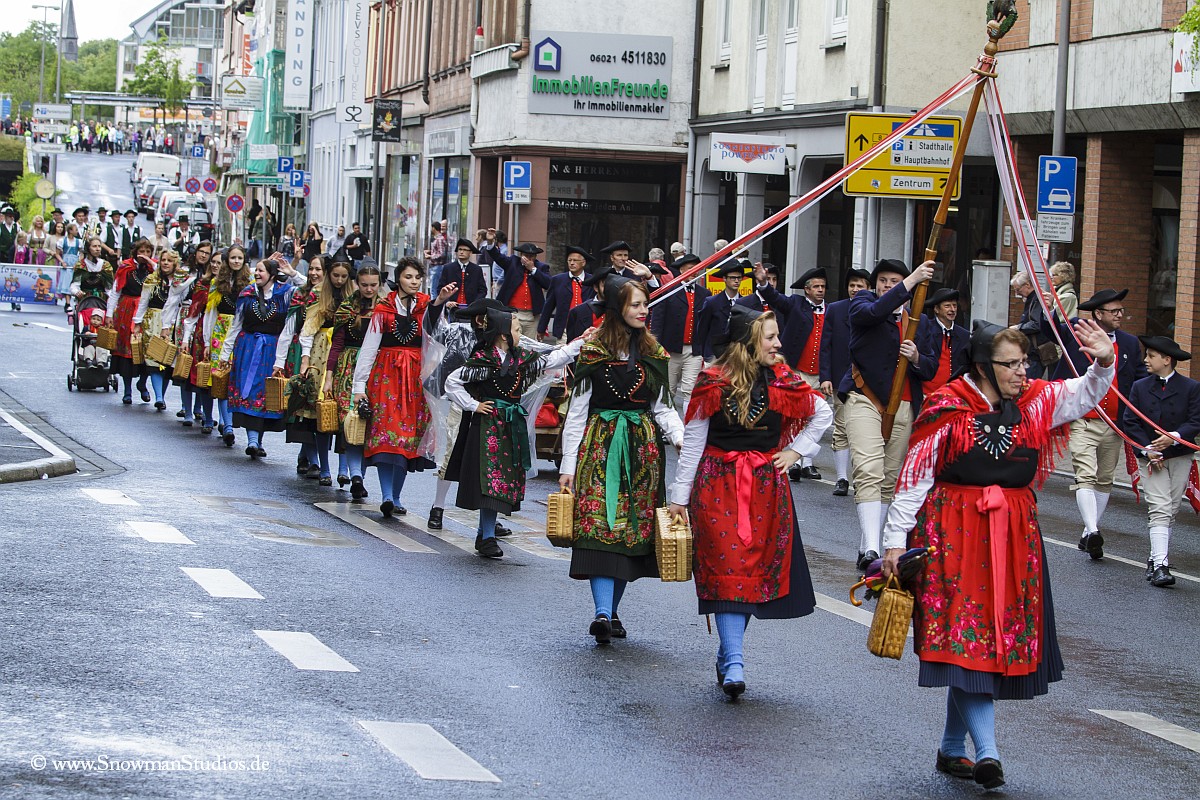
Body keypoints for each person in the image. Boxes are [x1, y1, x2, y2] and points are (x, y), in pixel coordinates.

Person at [880, 319, 1116, 791]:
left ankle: (952, 748)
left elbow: (1084, 394)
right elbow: (914, 478)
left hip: (1013, 535)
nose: (1021, 371)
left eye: (1024, 362)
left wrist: (1104, 361)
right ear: (984, 366)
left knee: (978, 646)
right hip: (953, 534)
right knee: (965, 644)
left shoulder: (1034, 402)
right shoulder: (947, 407)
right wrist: (894, 541)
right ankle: (987, 753)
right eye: (1010, 364)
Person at [668, 306, 831, 698]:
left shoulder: (785, 381)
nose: (778, 344)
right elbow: (692, 443)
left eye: (777, 336)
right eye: (770, 337)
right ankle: (736, 659)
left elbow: (821, 413)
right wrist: (679, 498)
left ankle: (730, 652)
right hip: (716, 485)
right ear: (747, 343)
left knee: (747, 572)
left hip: (764, 488)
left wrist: (795, 453)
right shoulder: (711, 382)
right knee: (726, 567)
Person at [559, 276, 684, 644]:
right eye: (635, 304)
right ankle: (601, 611)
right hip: (599, 446)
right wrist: (568, 466)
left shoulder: (654, 355)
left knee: (630, 532)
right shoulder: (592, 353)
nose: (643, 310)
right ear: (617, 309)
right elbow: (577, 413)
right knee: (599, 526)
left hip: (642, 452)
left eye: (645, 304)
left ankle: (611, 611)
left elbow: (664, 408)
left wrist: (679, 437)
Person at [444, 304, 586, 558]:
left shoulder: (520, 359)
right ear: (502, 334)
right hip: (486, 427)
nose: (521, 334)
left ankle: (484, 533)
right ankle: (487, 537)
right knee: (490, 483)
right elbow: (452, 382)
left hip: (510, 427)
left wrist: (580, 343)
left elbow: (552, 359)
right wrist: (473, 405)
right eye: (517, 330)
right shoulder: (483, 360)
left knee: (499, 483)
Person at [840, 259, 937, 571]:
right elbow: (874, 313)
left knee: (889, 478)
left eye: (894, 280)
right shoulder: (863, 304)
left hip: (904, 405)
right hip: (864, 397)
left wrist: (917, 357)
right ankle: (870, 548)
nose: (886, 285)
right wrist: (910, 282)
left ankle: (871, 540)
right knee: (868, 469)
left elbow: (931, 366)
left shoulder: (918, 319)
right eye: (882, 280)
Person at [1044, 287, 1145, 560]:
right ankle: (1091, 528)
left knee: (1105, 479)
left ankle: (1089, 533)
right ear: (1098, 314)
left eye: (1121, 310)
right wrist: (1049, 307)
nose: (1120, 315)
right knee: (1085, 473)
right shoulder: (1078, 330)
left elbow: (1138, 381)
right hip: (1083, 421)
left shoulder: (1129, 343)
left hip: (1114, 424)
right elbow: (1049, 327)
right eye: (1114, 311)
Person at [352, 257, 455, 516]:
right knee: (387, 438)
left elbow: (436, 335)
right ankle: (387, 495)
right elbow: (368, 349)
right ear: (398, 278)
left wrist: (439, 303)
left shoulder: (426, 306)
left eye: (418, 278)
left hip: (415, 383)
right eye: (409, 277)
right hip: (386, 380)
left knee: (407, 442)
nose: (414, 282)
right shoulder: (383, 309)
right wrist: (359, 386)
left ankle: (396, 496)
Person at [1120, 335, 1200, 588]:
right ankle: (1161, 566)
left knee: (1172, 508)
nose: (1145, 360)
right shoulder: (1140, 387)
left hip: (1178, 455)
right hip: (1150, 457)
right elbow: (1130, 422)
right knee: (1160, 508)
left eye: (1151, 356)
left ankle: (1155, 558)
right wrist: (1148, 450)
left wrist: (1173, 438)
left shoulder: (1191, 387)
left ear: (1167, 360)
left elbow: (1195, 421)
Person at [217, 254, 304, 458]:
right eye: (256, 270)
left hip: (273, 349)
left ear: (272, 275)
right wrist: (225, 353)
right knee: (251, 393)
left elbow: (311, 289)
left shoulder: (286, 293)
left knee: (266, 395)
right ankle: (253, 440)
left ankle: (258, 439)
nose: (256, 273)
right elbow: (235, 325)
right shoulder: (247, 294)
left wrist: (292, 273)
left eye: (261, 270)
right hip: (247, 348)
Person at [750, 265, 830, 480]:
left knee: (815, 415)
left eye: (823, 286)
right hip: (796, 370)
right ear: (806, 290)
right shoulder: (795, 304)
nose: (820, 290)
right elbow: (775, 298)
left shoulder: (831, 310)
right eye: (816, 287)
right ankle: (793, 461)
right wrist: (764, 283)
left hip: (818, 373)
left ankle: (808, 463)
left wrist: (827, 375)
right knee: (796, 416)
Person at [325, 262, 383, 498]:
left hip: (377, 368)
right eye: (364, 285)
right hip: (349, 367)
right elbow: (336, 344)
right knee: (350, 422)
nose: (369, 289)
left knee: (371, 423)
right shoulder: (346, 309)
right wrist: (328, 377)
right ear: (357, 284)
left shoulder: (386, 307)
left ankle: (361, 474)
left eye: (373, 285)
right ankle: (356, 474)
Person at [296, 256, 353, 485]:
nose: (339, 280)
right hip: (321, 352)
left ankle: (343, 468)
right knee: (322, 411)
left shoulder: (354, 297)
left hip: (345, 354)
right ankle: (323, 466)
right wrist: (305, 359)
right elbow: (308, 330)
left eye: (343, 276)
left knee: (342, 413)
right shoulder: (318, 294)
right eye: (335, 275)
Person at [820, 268, 872, 496]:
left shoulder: (878, 311)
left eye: (860, 285)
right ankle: (842, 478)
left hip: (870, 381)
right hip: (842, 379)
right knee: (841, 428)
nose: (855, 289)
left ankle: (863, 479)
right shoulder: (835, 309)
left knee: (867, 433)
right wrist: (826, 377)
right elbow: (826, 344)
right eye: (852, 285)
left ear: (868, 289)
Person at [132, 249, 194, 410]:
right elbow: (143, 302)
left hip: (173, 321)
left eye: (169, 260)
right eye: (163, 260)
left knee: (167, 360)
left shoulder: (180, 281)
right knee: (155, 359)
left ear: (175, 264)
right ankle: (159, 397)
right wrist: (137, 323)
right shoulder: (152, 280)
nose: (166, 263)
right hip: (153, 321)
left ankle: (160, 394)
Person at [651, 252, 710, 412]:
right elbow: (658, 320)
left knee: (690, 390)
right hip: (671, 349)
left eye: (697, 269)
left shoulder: (705, 294)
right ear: (682, 270)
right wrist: (657, 347)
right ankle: (663, 428)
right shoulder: (669, 290)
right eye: (691, 268)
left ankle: (688, 428)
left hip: (694, 350)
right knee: (668, 390)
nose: (695, 272)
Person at [206, 245, 252, 446]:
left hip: (241, 334)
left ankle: (230, 421)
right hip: (220, 332)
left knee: (237, 380)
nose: (235, 261)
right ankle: (228, 425)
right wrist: (207, 340)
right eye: (232, 258)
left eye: (239, 258)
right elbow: (210, 313)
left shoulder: (250, 284)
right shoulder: (218, 283)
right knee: (221, 379)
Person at [106, 239, 156, 404]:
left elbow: (163, 276)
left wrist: (150, 261)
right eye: (141, 252)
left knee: (146, 349)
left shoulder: (153, 268)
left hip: (146, 311)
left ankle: (142, 383)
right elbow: (116, 291)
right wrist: (108, 315)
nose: (145, 255)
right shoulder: (125, 268)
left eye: (148, 252)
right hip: (127, 310)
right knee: (128, 349)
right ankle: (127, 390)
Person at [180, 245, 220, 433]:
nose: (215, 265)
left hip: (221, 332)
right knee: (193, 373)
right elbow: (193, 314)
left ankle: (212, 417)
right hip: (202, 333)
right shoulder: (202, 284)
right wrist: (185, 339)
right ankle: (189, 411)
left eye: (219, 263)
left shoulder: (229, 285)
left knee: (214, 379)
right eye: (213, 262)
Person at [488, 240, 551, 339]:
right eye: (526, 255)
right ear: (521, 255)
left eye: (532, 256)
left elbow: (548, 284)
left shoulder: (541, 267)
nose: (529, 258)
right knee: (513, 342)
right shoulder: (512, 262)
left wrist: (533, 269)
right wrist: (490, 242)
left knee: (530, 346)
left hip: (532, 315)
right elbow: (497, 257)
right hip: (513, 313)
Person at [916, 287, 970, 399]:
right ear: (936, 309)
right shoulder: (926, 329)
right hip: (926, 393)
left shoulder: (964, 334)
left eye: (954, 306)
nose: (952, 309)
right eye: (947, 306)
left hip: (952, 395)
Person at [539, 245, 595, 342]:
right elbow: (548, 306)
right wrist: (541, 328)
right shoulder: (558, 280)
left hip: (587, 329)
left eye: (575, 260)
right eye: (569, 260)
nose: (572, 263)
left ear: (583, 263)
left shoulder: (592, 280)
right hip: (564, 328)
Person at [1010, 271, 1047, 381]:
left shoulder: (1037, 300)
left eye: (1018, 290)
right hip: (1032, 351)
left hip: (1036, 352)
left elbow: (1036, 324)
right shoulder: (1032, 299)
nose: (1017, 293)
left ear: (1027, 285)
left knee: (1028, 382)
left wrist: (1018, 328)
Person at [436, 238, 487, 306]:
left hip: (471, 309)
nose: (461, 252)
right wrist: (447, 302)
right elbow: (440, 288)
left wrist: (475, 304)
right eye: (460, 249)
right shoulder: (448, 268)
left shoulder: (477, 269)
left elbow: (482, 290)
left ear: (470, 253)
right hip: (452, 307)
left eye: (465, 250)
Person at [424, 220, 449, 291]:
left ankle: (434, 302)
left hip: (437, 267)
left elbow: (441, 254)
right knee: (433, 288)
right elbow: (438, 251)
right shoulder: (438, 239)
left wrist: (430, 256)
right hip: (435, 267)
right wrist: (430, 252)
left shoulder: (439, 239)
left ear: (434, 228)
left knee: (434, 289)